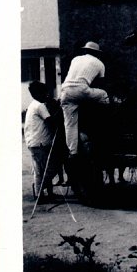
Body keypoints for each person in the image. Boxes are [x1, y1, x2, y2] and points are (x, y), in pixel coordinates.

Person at [59, 41, 110, 180]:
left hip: (65, 91)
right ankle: (106, 120)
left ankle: (73, 152)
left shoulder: (76, 59)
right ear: (97, 53)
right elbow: (101, 83)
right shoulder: (99, 64)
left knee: (69, 125)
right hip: (82, 90)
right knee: (104, 94)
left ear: (85, 51)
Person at [24, 82, 61, 202]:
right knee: (48, 168)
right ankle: (39, 193)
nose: (47, 95)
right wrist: (60, 111)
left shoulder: (33, 105)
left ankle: (47, 193)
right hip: (40, 143)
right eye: (44, 93)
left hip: (35, 142)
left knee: (41, 169)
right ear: (38, 94)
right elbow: (51, 121)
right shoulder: (40, 106)